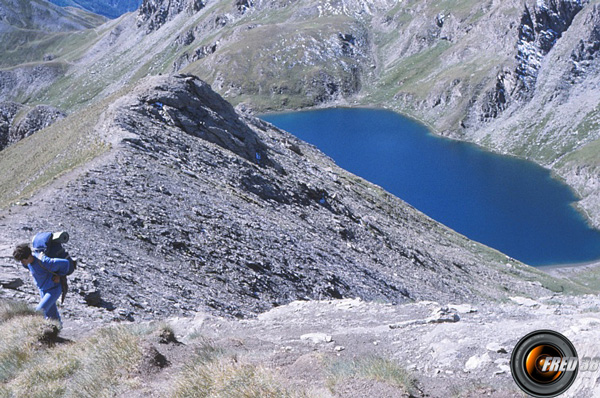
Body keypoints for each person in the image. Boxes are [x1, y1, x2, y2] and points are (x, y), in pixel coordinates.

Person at [13, 243, 71, 327]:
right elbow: (29, 267)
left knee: (39, 311)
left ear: (29, 256)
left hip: (53, 289)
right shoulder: (27, 262)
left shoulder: (44, 262)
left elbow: (65, 263)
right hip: (43, 289)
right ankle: (57, 332)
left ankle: (35, 332)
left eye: (23, 260)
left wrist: (59, 275)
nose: (22, 263)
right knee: (51, 315)